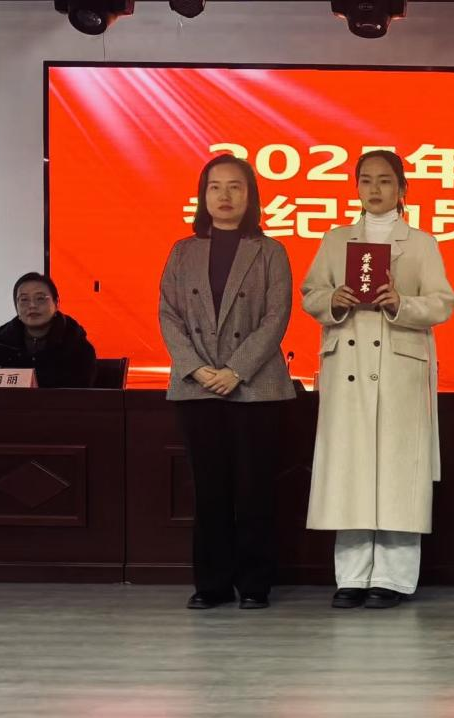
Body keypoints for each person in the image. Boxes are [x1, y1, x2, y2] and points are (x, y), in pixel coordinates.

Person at [301, 150, 454, 610]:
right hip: (348, 369)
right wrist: (334, 299)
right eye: (366, 180)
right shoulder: (336, 239)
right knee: (350, 470)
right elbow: (310, 293)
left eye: (385, 181)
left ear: (402, 188)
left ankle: (392, 577)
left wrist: (400, 303)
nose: (374, 189)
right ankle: (351, 576)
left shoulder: (420, 243)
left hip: (399, 367)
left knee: (397, 472)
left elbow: (443, 302)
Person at [158, 154, 296, 610]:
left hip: (255, 387)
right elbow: (168, 314)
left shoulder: (270, 251)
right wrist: (197, 368)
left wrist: (236, 369)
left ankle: (255, 583)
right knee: (210, 490)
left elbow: (277, 316)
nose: (224, 195)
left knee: (254, 489)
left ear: (250, 195)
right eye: (215, 187)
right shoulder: (183, 251)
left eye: (235, 186)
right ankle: (212, 584)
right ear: (203, 195)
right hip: (196, 386)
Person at [0, 272, 96, 388]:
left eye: (40, 299)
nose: (32, 305)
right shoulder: (2, 340)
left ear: (56, 303)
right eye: (24, 300)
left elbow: (81, 388)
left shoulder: (74, 341)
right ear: (16, 307)